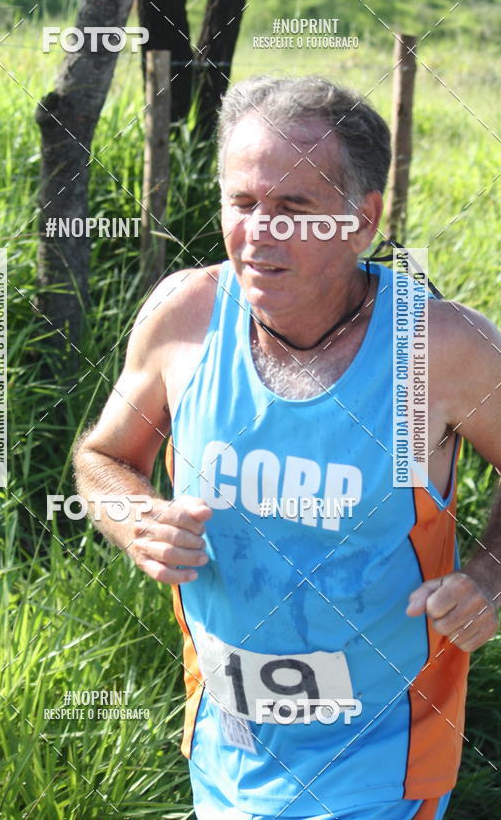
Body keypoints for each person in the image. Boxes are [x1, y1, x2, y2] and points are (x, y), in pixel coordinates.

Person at [73, 76, 501, 820]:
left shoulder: (439, 348)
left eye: (294, 208)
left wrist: (489, 578)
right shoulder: (185, 316)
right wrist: (136, 518)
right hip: (227, 747)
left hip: (383, 759)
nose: (258, 233)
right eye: (242, 203)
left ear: (362, 220)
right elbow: (102, 458)